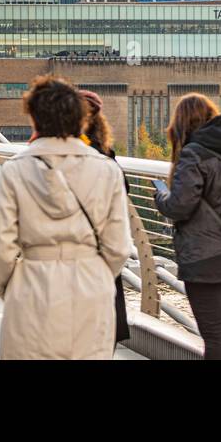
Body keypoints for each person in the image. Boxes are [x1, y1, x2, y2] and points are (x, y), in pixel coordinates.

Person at [0, 75, 132, 360]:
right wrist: (97, 275)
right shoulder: (107, 170)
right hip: (90, 285)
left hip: (32, 282)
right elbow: (118, 247)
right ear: (80, 120)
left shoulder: (15, 170)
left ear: (34, 119)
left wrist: (12, 286)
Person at [152, 93, 221, 360]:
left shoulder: (193, 153)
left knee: (215, 335)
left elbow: (180, 205)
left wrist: (160, 197)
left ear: (182, 123)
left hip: (204, 253)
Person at [78, 88, 130, 346]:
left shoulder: (49, 154)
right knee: (103, 328)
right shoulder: (105, 151)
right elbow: (123, 189)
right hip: (101, 249)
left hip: (68, 257)